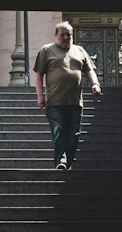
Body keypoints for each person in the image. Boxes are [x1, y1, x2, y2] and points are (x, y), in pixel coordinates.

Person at [33, 20, 101, 170]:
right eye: (62, 34)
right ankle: (61, 161)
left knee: (73, 134)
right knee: (59, 131)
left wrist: (95, 84)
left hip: (75, 102)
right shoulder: (46, 50)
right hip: (54, 101)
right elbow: (39, 75)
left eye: (68, 35)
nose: (66, 37)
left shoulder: (80, 51)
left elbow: (89, 70)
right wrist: (40, 96)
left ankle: (67, 163)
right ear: (56, 35)